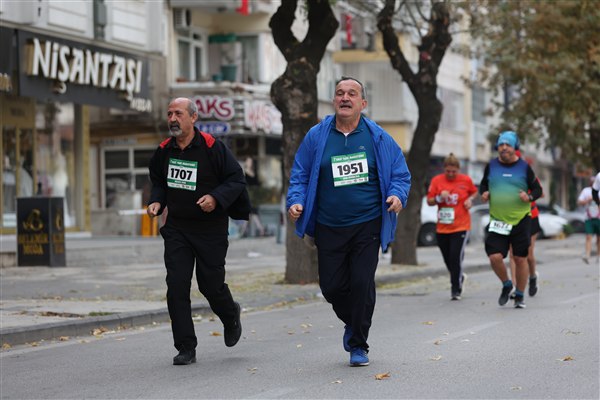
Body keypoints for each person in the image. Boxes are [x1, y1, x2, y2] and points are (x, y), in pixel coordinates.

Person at [287, 76, 411, 367]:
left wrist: (397, 196)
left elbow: (400, 174)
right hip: (329, 224)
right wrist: (296, 200)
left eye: (352, 93)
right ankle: (353, 322)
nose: (345, 97)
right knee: (331, 287)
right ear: (334, 100)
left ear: (362, 103)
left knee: (361, 282)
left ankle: (358, 344)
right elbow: (300, 173)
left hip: (367, 223)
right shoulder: (317, 136)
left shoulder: (378, 137)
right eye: (340, 93)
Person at [147, 97, 250, 365]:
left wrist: (215, 198)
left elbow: (236, 179)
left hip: (210, 229)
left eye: (178, 113)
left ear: (193, 118)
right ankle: (186, 347)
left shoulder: (213, 147)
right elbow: (158, 181)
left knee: (210, 285)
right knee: (176, 286)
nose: (172, 119)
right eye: (169, 114)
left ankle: (230, 314)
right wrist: (157, 201)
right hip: (178, 229)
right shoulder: (164, 150)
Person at [479, 131, 542, 309]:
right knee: (494, 257)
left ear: (515, 147)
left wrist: (529, 197)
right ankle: (507, 284)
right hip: (498, 220)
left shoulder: (524, 167)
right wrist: (484, 193)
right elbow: (483, 184)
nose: (504, 147)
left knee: (520, 258)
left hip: (521, 219)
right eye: (501, 144)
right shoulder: (491, 166)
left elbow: (537, 189)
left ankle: (520, 295)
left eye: (508, 144)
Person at [426, 153, 478, 300]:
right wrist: (439, 197)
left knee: (455, 257)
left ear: (458, 170)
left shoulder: (465, 180)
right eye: (448, 171)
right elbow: (429, 201)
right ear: (444, 169)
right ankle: (459, 276)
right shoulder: (437, 180)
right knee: (447, 258)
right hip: (442, 226)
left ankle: (456, 288)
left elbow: (474, 192)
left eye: (453, 172)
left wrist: (470, 200)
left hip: (461, 226)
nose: (450, 174)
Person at [508, 150, 542, 297]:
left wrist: (528, 196)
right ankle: (515, 287)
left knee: (527, 255)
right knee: (512, 254)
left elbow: (540, 192)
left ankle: (532, 277)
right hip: (512, 217)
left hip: (531, 217)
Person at [577, 175, 600, 264]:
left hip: (598, 217)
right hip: (589, 217)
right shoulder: (586, 191)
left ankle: (598, 255)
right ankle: (587, 255)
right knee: (588, 236)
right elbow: (579, 202)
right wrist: (588, 200)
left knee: (599, 238)